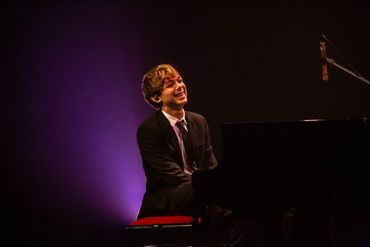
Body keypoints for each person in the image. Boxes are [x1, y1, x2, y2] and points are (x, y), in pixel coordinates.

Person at [136, 64, 259, 246]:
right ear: (156, 97)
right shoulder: (149, 130)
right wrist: (212, 186)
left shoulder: (199, 121)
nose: (180, 86)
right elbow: (173, 176)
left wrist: (226, 185)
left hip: (201, 192)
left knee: (250, 213)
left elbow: (211, 166)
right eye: (170, 84)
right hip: (170, 197)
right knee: (205, 189)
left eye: (180, 80)